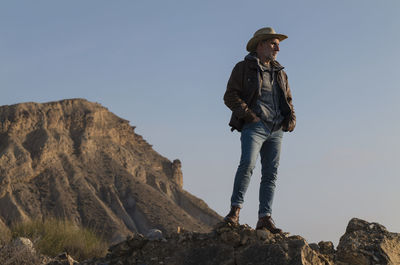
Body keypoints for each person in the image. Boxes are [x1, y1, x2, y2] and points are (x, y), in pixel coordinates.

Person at [223, 27, 296, 233]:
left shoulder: (281, 73)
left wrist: (290, 121)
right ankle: (234, 211)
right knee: (247, 164)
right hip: (254, 127)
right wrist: (249, 115)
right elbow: (230, 96)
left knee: (270, 174)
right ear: (260, 44)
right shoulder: (243, 68)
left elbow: (289, 99)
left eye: (278, 45)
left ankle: (265, 218)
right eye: (274, 44)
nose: (277, 49)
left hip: (276, 129)